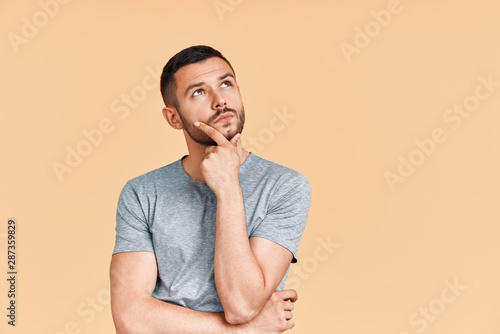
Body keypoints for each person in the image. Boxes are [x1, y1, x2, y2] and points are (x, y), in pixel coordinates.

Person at [109, 45, 311, 333]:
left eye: (226, 84)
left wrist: (228, 186)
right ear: (173, 118)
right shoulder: (142, 193)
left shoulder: (285, 186)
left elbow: (241, 304)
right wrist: (247, 331)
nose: (220, 101)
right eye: (199, 92)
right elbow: (130, 318)